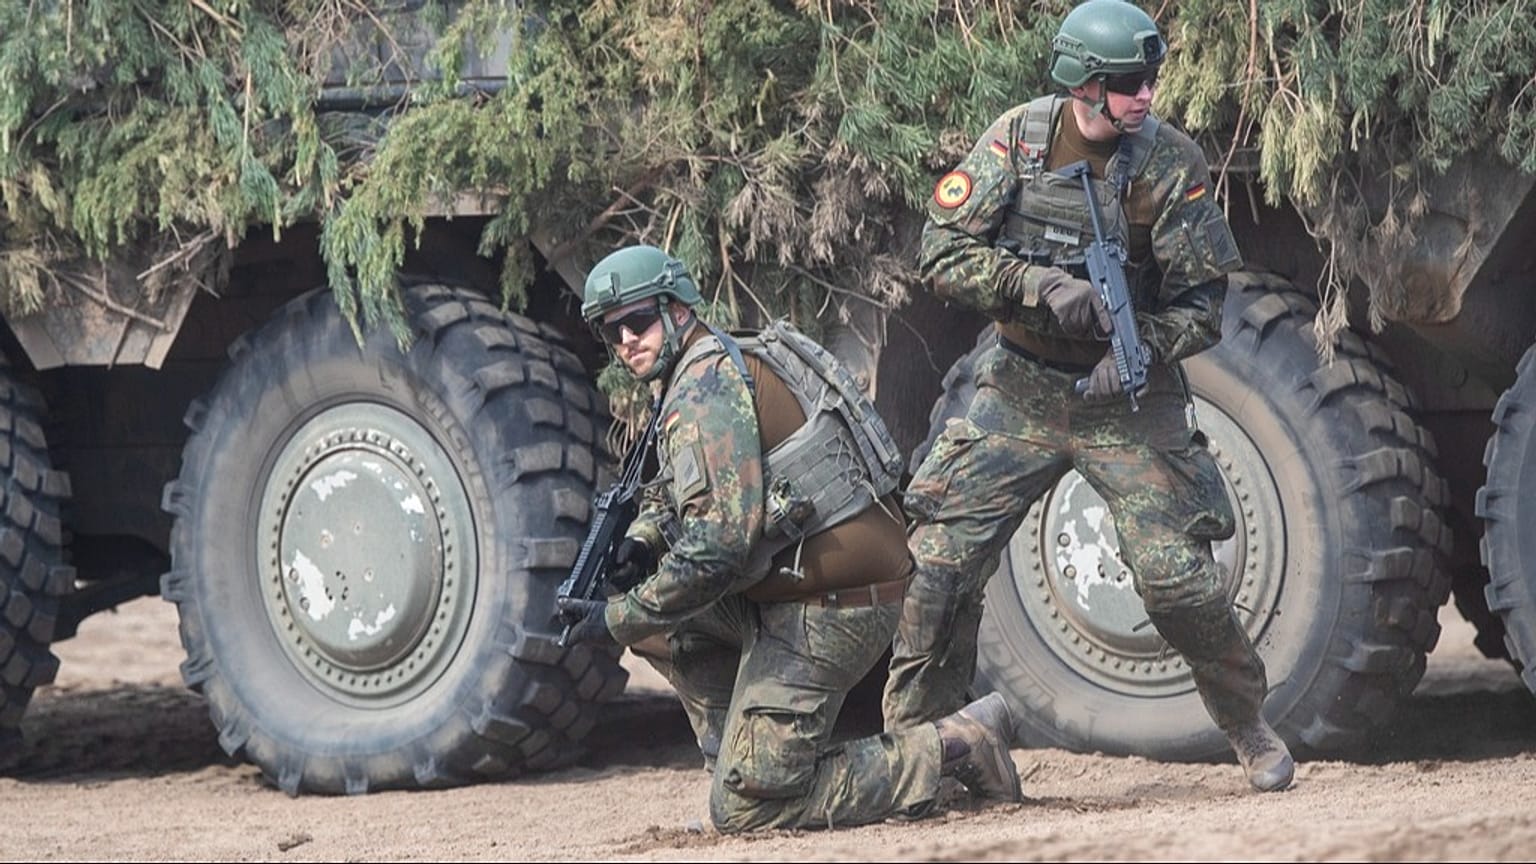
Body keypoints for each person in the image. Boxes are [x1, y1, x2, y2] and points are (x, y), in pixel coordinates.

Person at [882, 0, 1294, 793]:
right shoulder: (1018, 141)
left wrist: (1135, 351)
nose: (1147, 95)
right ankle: (916, 751)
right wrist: (1034, 284)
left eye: (1151, 79)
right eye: (1130, 82)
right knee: (938, 563)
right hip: (1020, 388)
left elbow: (1204, 306)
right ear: (1085, 85)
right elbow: (939, 251)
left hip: (1128, 402)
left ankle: (1248, 724)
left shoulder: (1171, 163)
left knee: (1177, 579)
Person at [557, 244, 1023, 833]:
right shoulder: (696, 370)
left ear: (677, 310)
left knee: (746, 810)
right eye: (610, 331)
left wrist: (616, 619)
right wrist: (644, 544)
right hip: (794, 586)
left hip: (832, 604)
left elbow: (718, 548)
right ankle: (744, 756)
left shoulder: (704, 387)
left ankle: (954, 747)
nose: (625, 340)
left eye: (638, 320)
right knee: (663, 621)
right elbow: (671, 492)